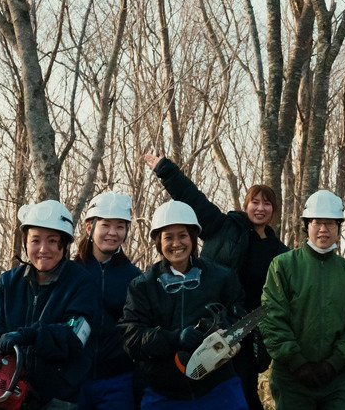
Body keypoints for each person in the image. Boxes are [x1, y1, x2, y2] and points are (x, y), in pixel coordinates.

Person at [143, 152, 287, 410]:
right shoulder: (224, 227)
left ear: (274, 210)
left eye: (267, 204)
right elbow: (192, 198)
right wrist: (166, 170)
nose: (260, 208)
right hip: (211, 321)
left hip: (247, 330)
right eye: (255, 202)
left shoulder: (282, 252)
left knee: (244, 394)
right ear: (246, 205)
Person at [120, 200, 248, 409]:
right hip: (164, 391)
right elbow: (132, 337)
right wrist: (174, 338)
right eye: (168, 237)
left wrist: (221, 331)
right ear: (158, 242)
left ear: (193, 238)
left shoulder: (221, 277)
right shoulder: (142, 286)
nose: (176, 243)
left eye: (183, 236)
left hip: (218, 387)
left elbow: (239, 317)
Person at [0, 200, 99, 409]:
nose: (43, 249)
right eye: (35, 240)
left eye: (52, 241)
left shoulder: (81, 283)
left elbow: (73, 335)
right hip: (9, 390)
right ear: (26, 243)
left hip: (57, 396)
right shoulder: (8, 282)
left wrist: (27, 335)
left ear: (64, 245)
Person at [260, 190, 345, 410]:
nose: (323, 230)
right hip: (291, 375)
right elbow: (272, 319)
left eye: (330, 223)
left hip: (336, 378)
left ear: (338, 227)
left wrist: (333, 364)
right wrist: (297, 363)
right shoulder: (283, 266)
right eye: (317, 222)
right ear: (306, 225)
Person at [73, 191, 143, 410]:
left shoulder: (134, 277)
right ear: (89, 228)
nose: (113, 233)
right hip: (75, 379)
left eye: (120, 226)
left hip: (117, 381)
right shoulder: (70, 273)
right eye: (105, 225)